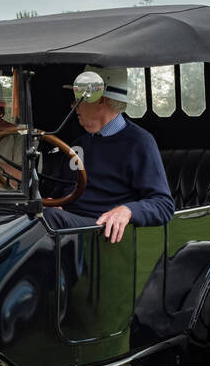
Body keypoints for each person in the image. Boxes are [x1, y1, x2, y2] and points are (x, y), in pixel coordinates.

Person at [44, 65, 174, 242]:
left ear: (100, 100)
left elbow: (163, 205)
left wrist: (128, 210)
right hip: (69, 229)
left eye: (79, 99)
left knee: (48, 218)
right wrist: (56, 202)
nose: (73, 105)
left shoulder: (139, 142)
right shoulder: (79, 144)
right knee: (37, 214)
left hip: (101, 231)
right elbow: (62, 193)